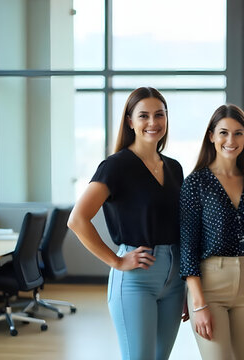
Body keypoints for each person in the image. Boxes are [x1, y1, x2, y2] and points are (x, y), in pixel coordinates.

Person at [68, 87, 186, 360]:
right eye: (143, 115)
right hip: (136, 278)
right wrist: (117, 261)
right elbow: (77, 219)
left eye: (159, 115)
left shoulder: (174, 168)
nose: (153, 122)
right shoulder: (116, 166)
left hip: (174, 278)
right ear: (130, 121)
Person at [179, 104, 244, 359]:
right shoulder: (195, 182)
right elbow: (188, 245)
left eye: (239, 133)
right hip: (210, 284)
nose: (231, 140)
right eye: (224, 133)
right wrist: (198, 302)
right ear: (211, 136)